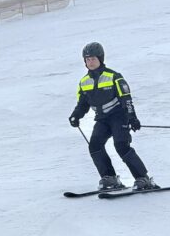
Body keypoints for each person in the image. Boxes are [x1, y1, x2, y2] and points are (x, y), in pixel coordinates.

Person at [69, 42, 160, 191]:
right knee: (95, 146)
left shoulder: (113, 76)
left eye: (93, 59)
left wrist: (132, 118)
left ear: (100, 59)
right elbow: (82, 103)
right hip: (102, 119)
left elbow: (126, 99)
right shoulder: (84, 82)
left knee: (121, 145)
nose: (90, 62)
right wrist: (75, 116)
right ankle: (109, 178)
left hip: (119, 116)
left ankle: (143, 178)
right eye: (87, 59)